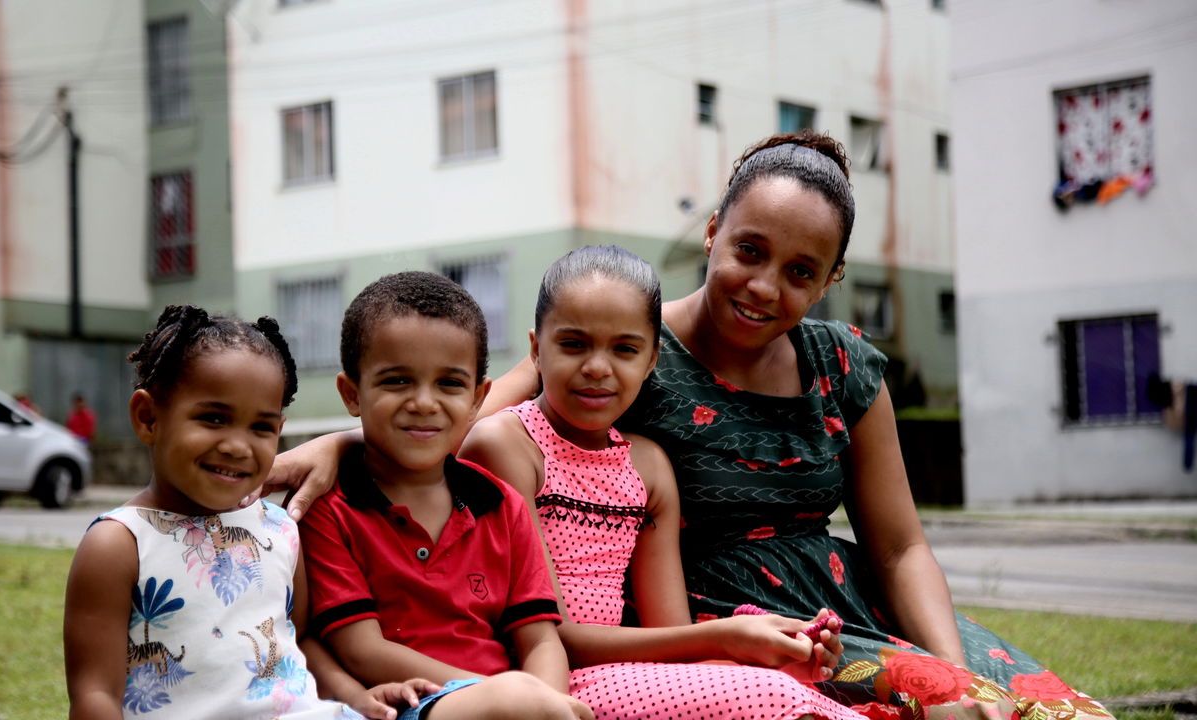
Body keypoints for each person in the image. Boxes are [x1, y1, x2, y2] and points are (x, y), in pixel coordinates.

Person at [266, 132, 1115, 720]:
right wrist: (341, 442)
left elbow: (899, 548)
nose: (763, 284)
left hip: (846, 598)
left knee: (1045, 708)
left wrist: (951, 660)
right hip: (710, 613)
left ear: (830, 280)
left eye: (800, 271)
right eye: (749, 250)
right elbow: (449, 425)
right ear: (712, 234)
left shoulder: (845, 366)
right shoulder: (625, 344)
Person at [459, 245, 868, 720]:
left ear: (652, 359)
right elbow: (546, 635)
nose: (597, 367)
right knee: (776, 699)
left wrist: (767, 649)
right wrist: (721, 639)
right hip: (539, 682)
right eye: (573, 344)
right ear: (536, 349)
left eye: (625, 349)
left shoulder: (647, 467)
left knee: (788, 686)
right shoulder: (508, 446)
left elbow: (668, 632)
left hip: (624, 673)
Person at [63, 305, 436, 720]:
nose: (238, 446)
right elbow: (95, 693)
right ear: (148, 418)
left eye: (260, 427)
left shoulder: (279, 528)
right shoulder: (119, 544)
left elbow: (298, 638)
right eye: (214, 418)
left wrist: (357, 697)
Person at [298, 272, 594, 720]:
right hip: (406, 705)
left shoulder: (501, 503)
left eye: (450, 384)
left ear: (478, 397)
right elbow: (361, 651)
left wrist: (547, 701)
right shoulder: (330, 507)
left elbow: (540, 640)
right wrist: (504, 695)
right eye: (396, 381)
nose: (423, 402)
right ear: (351, 393)